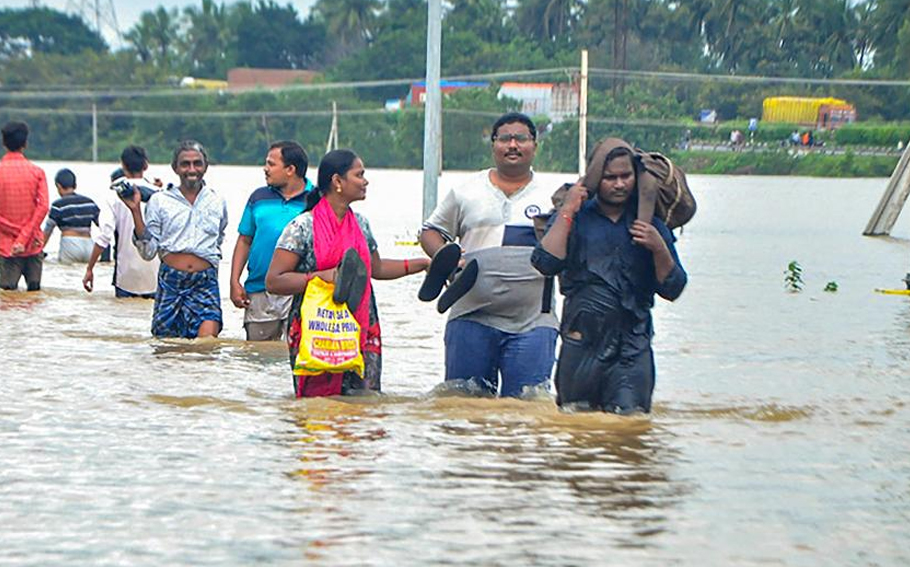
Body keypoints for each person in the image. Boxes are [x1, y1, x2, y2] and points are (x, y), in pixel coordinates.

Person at [531, 139, 688, 414]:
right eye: (609, 177)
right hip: (581, 343)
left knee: (631, 422)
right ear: (595, 179)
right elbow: (545, 262)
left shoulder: (650, 223)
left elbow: (673, 288)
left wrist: (659, 248)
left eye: (625, 176)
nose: (619, 184)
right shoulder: (576, 218)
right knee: (575, 423)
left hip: (633, 346)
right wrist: (568, 209)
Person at [266, 149, 431, 397]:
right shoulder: (302, 226)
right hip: (316, 326)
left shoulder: (361, 224)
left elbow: (376, 269)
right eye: (359, 175)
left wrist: (423, 264)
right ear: (337, 181)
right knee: (316, 410)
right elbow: (274, 280)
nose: (365, 181)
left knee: (364, 404)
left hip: (361, 324)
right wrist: (318, 277)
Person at [418, 112, 559, 398]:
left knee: (527, 408)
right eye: (504, 139)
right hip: (471, 316)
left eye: (521, 138)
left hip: (533, 322)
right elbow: (429, 231)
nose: (512, 145)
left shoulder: (553, 196)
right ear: (493, 145)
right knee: (463, 406)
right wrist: (446, 259)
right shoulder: (466, 191)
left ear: (535, 145)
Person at [123, 140, 228, 338]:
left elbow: (219, 238)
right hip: (171, 280)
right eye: (185, 164)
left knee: (206, 345)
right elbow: (148, 252)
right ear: (175, 168)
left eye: (197, 163)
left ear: (205, 167)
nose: (192, 169)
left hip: (205, 281)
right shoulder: (159, 201)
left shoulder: (217, 200)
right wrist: (136, 210)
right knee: (167, 347)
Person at [230, 140, 313, 341]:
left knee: (297, 355)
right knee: (257, 359)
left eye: (271, 164)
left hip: (301, 290)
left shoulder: (316, 199)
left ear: (290, 169)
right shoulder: (258, 197)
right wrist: (234, 281)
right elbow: (244, 240)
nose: (265, 169)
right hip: (259, 291)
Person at [85, 147, 161, 298]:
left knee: (122, 317)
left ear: (123, 166)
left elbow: (104, 236)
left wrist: (89, 269)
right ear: (146, 166)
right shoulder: (161, 194)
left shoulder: (113, 195)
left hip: (125, 277)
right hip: (156, 276)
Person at [0, 120, 50, 291]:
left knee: (7, 298)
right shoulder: (37, 173)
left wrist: (17, 233)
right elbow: (43, 207)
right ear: (25, 144)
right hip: (33, 243)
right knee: (34, 296)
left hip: (7, 247)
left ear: (3, 143)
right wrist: (25, 235)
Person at [43, 168, 101, 263]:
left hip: (70, 245)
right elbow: (103, 225)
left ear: (58, 186)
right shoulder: (90, 203)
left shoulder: (57, 205)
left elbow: (47, 231)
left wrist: (37, 251)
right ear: (75, 185)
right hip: (90, 246)